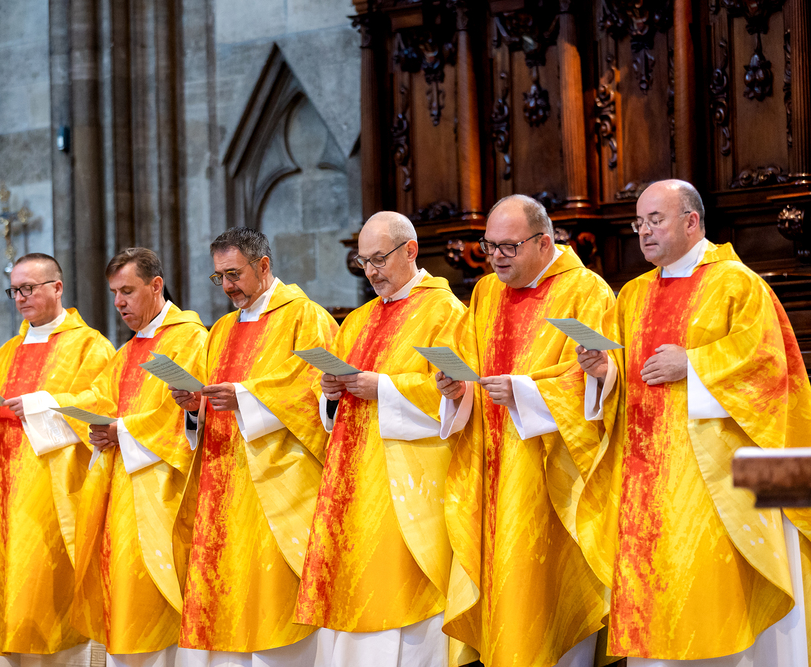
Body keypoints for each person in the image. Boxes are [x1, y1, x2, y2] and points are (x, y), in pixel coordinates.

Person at [577, 179, 811, 666]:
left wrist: (694, 364)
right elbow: (626, 379)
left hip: (715, 479)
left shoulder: (737, 284)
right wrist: (604, 372)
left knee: (713, 602)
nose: (643, 232)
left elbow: (770, 368)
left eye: (654, 220)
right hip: (645, 477)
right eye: (638, 223)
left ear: (691, 221)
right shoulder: (633, 295)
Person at [436, 195, 614, 667]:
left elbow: (599, 380)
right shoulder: (485, 293)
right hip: (489, 471)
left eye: (508, 247)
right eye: (490, 245)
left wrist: (524, 392)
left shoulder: (587, 291)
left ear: (543, 242)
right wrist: (456, 388)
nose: (496, 257)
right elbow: (468, 366)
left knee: (544, 601)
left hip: (550, 475)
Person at [295, 211, 467, 666]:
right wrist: (330, 393)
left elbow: (456, 396)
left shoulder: (446, 312)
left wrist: (385, 389)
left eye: (379, 258)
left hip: (408, 487)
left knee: (403, 602)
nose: (370, 271)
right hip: (351, 485)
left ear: (410, 251)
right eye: (363, 261)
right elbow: (331, 408)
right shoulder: (356, 321)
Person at [171, 227, 337, 665]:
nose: (227, 286)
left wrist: (245, 398)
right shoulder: (221, 329)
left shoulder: (305, 316)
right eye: (219, 277)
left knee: (275, 612)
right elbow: (209, 399)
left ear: (263, 265)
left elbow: (315, 391)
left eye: (234, 274)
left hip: (279, 488)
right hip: (222, 487)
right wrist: (195, 406)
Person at [0, 253, 114, 665]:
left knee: (44, 586)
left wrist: (42, 404)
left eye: (28, 288)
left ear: (56, 287)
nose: (20, 298)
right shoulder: (7, 351)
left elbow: (102, 403)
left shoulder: (90, 346)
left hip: (52, 491)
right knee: (7, 590)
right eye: (14, 290)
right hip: (2, 489)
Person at [68, 248, 207, 667]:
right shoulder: (126, 353)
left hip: (164, 496)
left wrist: (122, 432)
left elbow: (188, 412)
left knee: (157, 602)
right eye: (114, 293)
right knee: (124, 599)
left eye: (127, 291)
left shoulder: (190, 339)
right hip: (119, 496)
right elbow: (102, 401)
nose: (118, 302)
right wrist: (91, 424)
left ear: (156, 285)